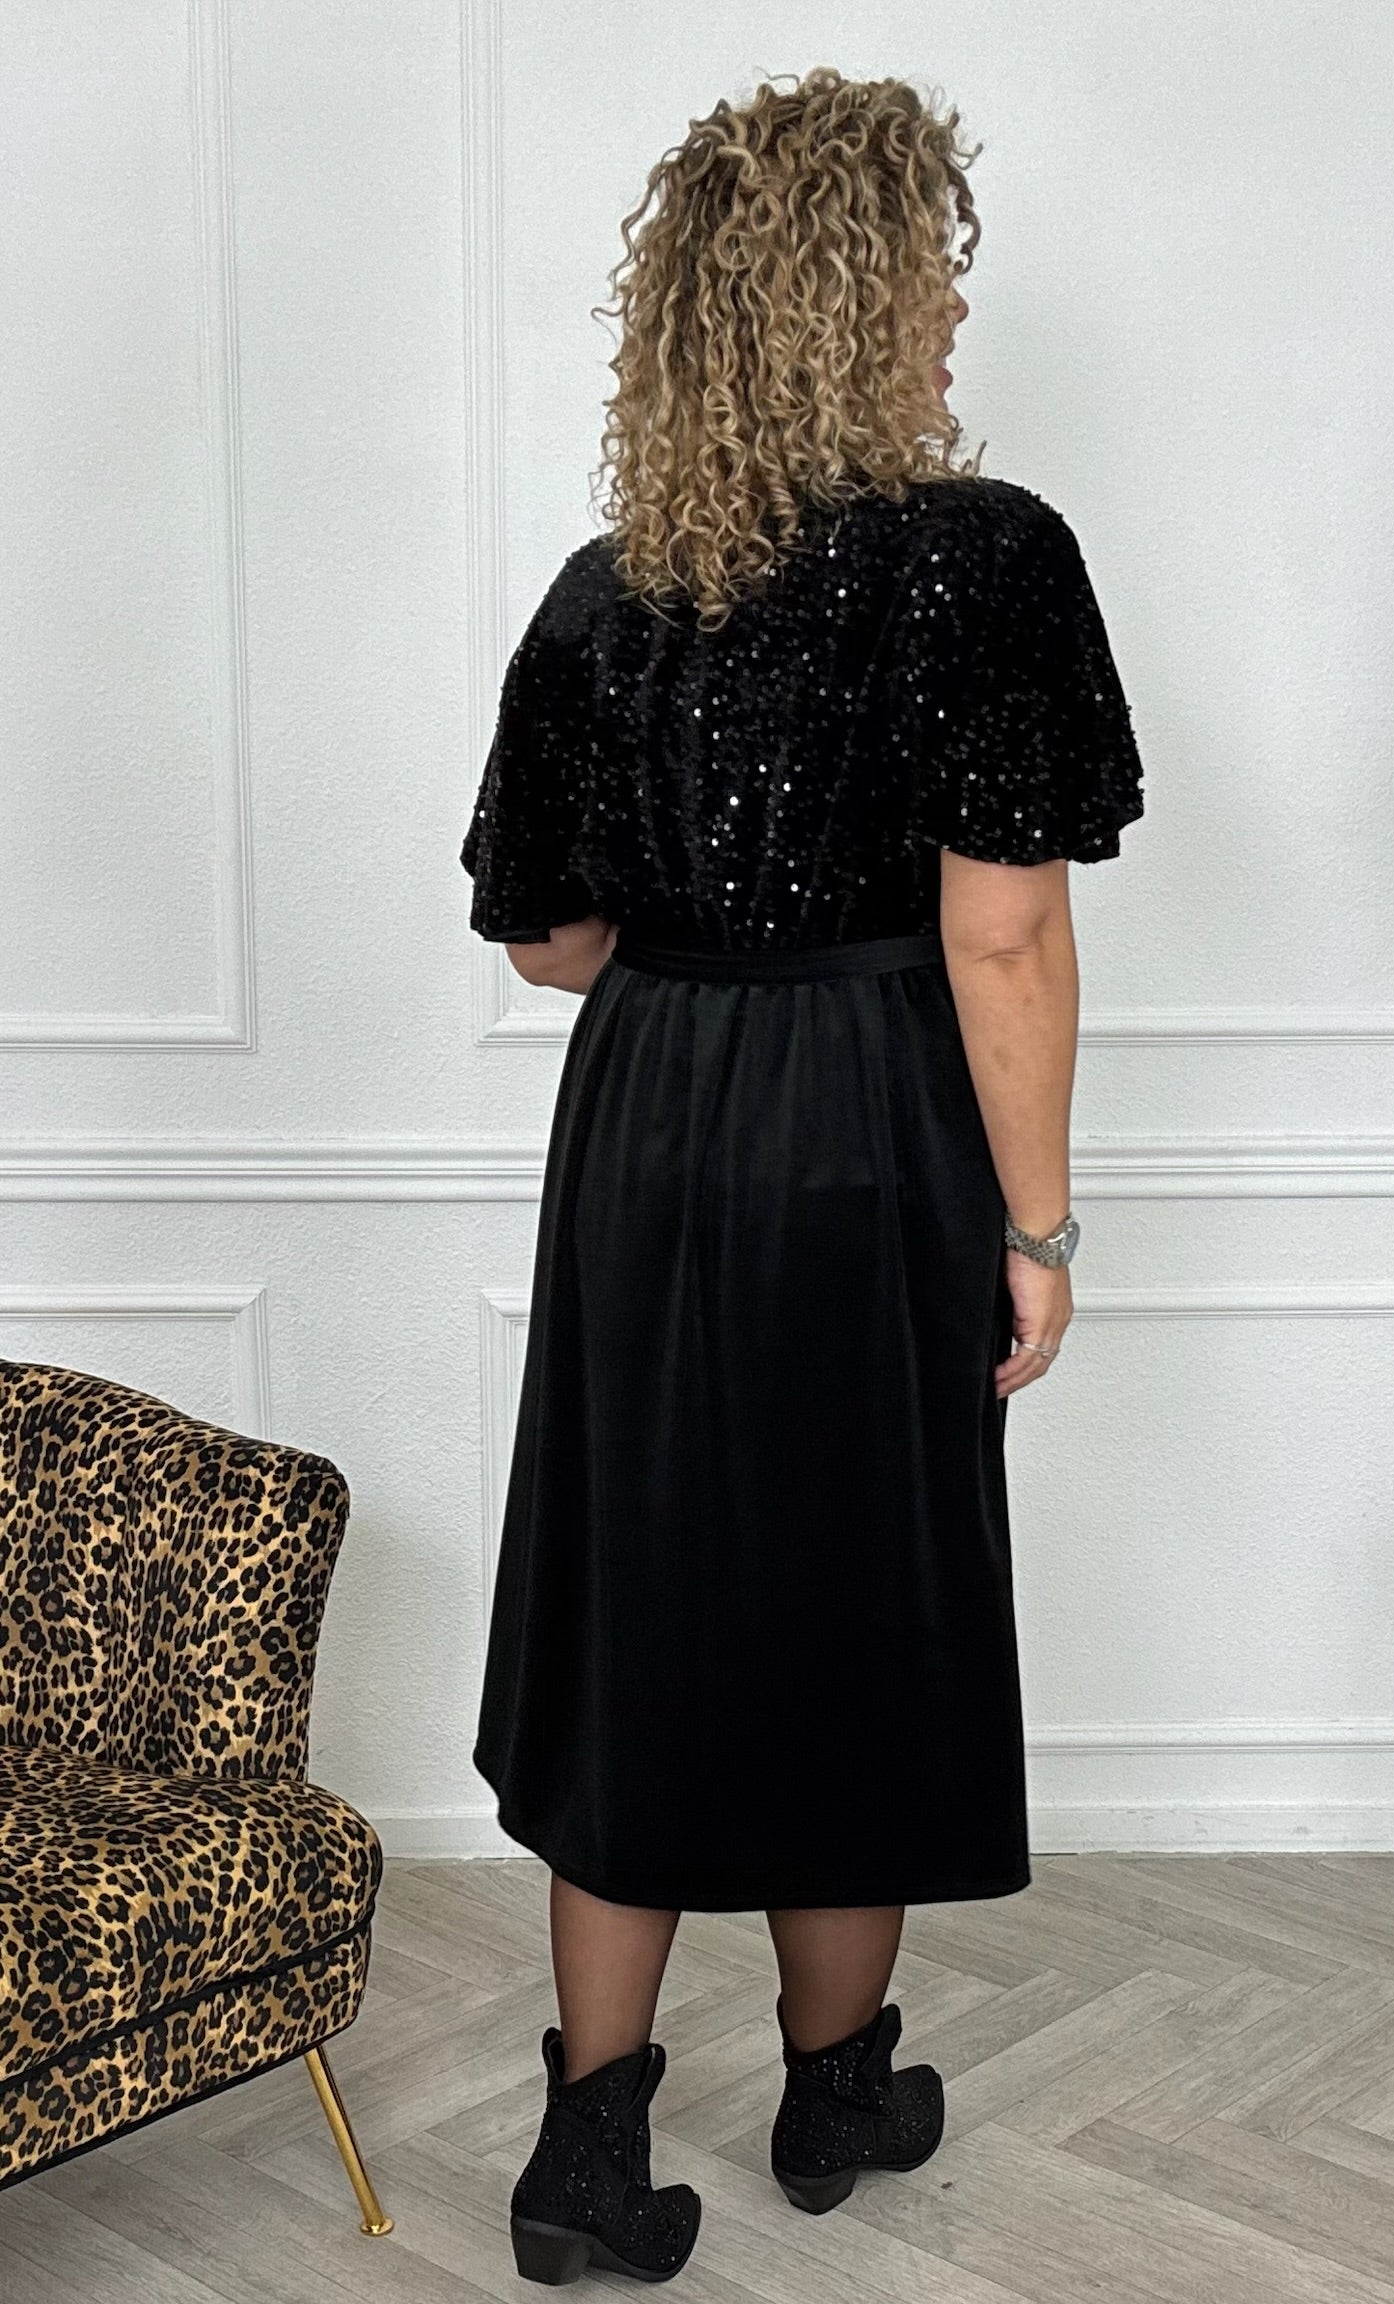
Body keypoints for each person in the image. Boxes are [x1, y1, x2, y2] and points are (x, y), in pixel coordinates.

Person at [460, 66, 1144, 2288]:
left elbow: (548, 939)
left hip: (651, 1122)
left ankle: (586, 2149)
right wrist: (1036, 1227)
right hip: (872, 1125)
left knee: (637, 1606)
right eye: (931, 275)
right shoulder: (987, 557)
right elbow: (1002, 937)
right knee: (862, 1602)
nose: (953, 316)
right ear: (867, 303)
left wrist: (702, 973)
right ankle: (838, 2094)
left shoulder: (605, 594)